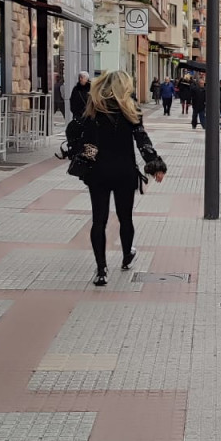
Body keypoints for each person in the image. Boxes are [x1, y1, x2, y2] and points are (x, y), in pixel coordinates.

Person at [66, 71, 166, 286]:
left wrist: (80, 152)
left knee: (98, 220)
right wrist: (156, 164)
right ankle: (126, 256)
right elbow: (142, 139)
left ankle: (101, 269)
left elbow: (73, 131)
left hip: (98, 172)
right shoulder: (130, 109)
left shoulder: (93, 108)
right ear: (124, 87)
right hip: (124, 172)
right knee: (125, 217)